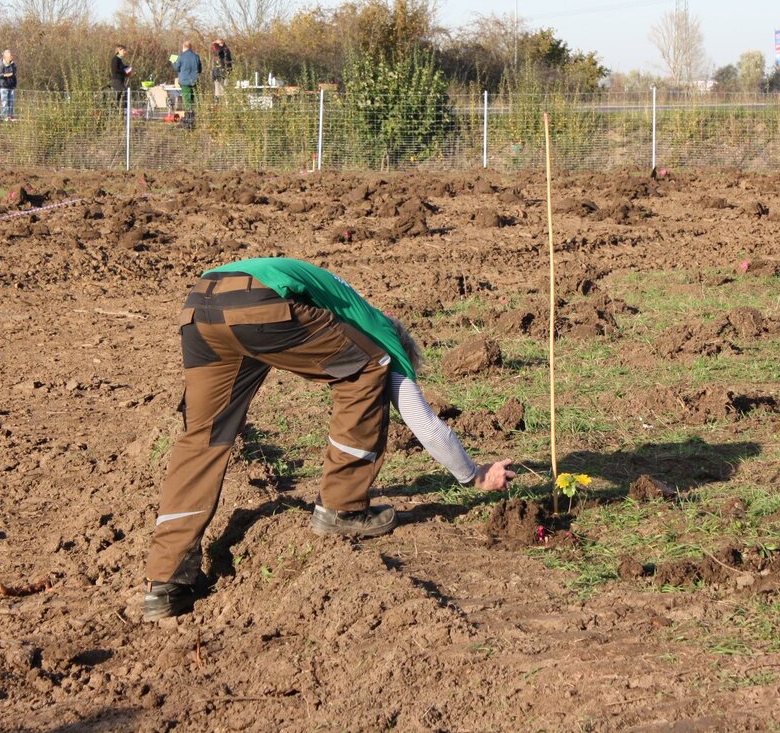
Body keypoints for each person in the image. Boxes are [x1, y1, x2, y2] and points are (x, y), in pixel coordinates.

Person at [143, 257, 515, 621]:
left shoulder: (350, 309)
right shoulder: (383, 337)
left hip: (201, 301)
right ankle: (342, 508)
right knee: (369, 367)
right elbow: (425, 424)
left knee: (204, 434)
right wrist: (475, 475)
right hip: (255, 299)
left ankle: (167, 580)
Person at [171, 41, 202, 115]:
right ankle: (197, 115)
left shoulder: (181, 57)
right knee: (195, 99)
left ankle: (189, 115)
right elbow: (200, 69)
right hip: (194, 81)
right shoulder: (196, 56)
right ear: (190, 47)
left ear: (183, 47)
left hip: (185, 81)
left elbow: (177, 68)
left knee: (187, 100)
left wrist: (173, 62)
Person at [0, 50, 17, 120]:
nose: (12, 57)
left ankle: (11, 116)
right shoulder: (1, 64)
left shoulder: (13, 64)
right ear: (5, 57)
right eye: (10, 56)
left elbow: (14, 73)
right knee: (4, 102)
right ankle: (4, 116)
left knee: (11, 102)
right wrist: (5, 75)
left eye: (11, 56)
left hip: (11, 86)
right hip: (3, 86)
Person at [110, 44, 131, 110]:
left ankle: (119, 110)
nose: (125, 52)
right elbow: (115, 70)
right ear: (119, 50)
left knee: (120, 95)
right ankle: (123, 109)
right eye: (123, 50)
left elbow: (120, 69)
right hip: (116, 80)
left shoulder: (119, 60)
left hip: (120, 80)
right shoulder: (115, 59)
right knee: (124, 92)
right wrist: (124, 71)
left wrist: (127, 68)